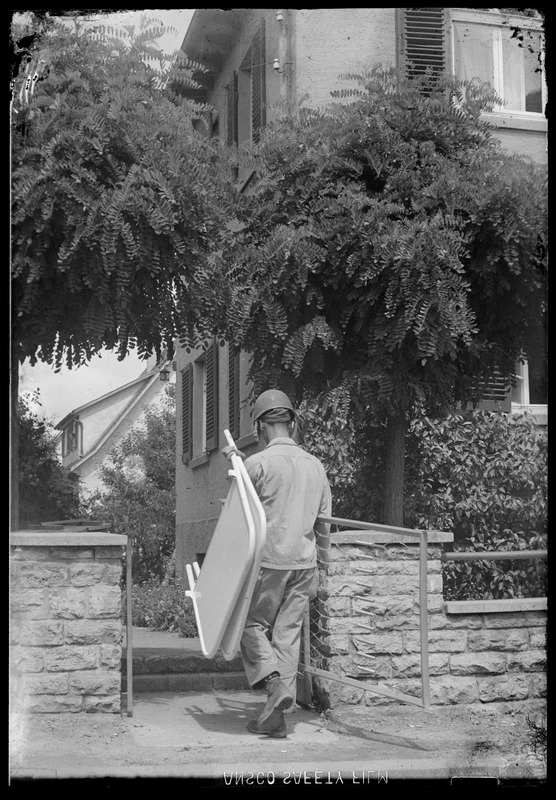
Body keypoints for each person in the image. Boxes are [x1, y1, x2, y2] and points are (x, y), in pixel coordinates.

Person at [222, 389, 332, 739]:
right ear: (293, 423)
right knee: (287, 635)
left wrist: (238, 467)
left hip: (270, 562)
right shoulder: (316, 466)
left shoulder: (257, 465)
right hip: (305, 564)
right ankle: (275, 718)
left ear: (259, 428)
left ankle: (272, 686)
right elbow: (324, 525)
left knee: (249, 626)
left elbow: (239, 516)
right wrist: (323, 569)